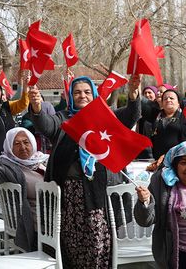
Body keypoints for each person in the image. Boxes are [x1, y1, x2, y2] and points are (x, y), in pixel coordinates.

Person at [28, 74, 142, 269]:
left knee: (99, 238)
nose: (83, 96)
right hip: (70, 191)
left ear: (94, 94)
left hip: (100, 191)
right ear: (71, 96)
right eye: (77, 92)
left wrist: (133, 95)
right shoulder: (63, 117)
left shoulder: (106, 114)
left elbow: (131, 116)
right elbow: (46, 125)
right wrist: (37, 107)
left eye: (87, 92)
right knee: (71, 237)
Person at [143, 88, 186, 163]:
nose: (168, 100)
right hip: (158, 162)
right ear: (162, 103)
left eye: (171, 98)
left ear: (178, 103)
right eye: (165, 99)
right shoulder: (155, 116)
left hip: (181, 161)